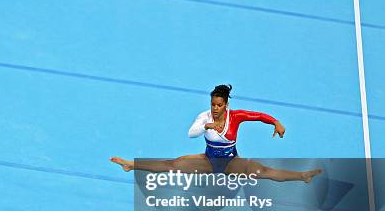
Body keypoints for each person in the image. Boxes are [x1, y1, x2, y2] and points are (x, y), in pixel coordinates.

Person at [110, 84, 322, 183]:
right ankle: (131, 164)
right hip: (208, 161)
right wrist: (206, 127)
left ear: (226, 104)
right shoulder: (204, 117)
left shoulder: (236, 116)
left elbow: (257, 115)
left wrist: (275, 122)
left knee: (264, 172)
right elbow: (191, 134)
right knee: (172, 164)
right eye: (213, 104)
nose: (215, 108)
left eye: (219, 105)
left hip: (231, 162)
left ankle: (302, 176)